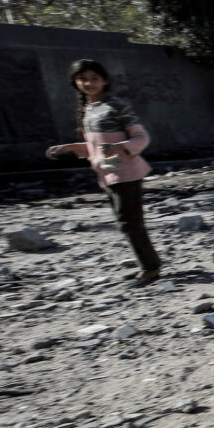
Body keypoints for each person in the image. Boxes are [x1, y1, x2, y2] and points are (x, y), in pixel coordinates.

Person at [46, 59, 162, 287]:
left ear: (105, 80)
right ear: (75, 82)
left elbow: (141, 137)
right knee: (127, 222)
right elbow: (97, 147)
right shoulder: (88, 109)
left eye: (94, 78)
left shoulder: (115, 106)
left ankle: (151, 268)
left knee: (130, 223)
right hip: (107, 172)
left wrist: (123, 146)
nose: (88, 83)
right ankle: (147, 265)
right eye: (83, 79)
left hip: (125, 172)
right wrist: (69, 148)